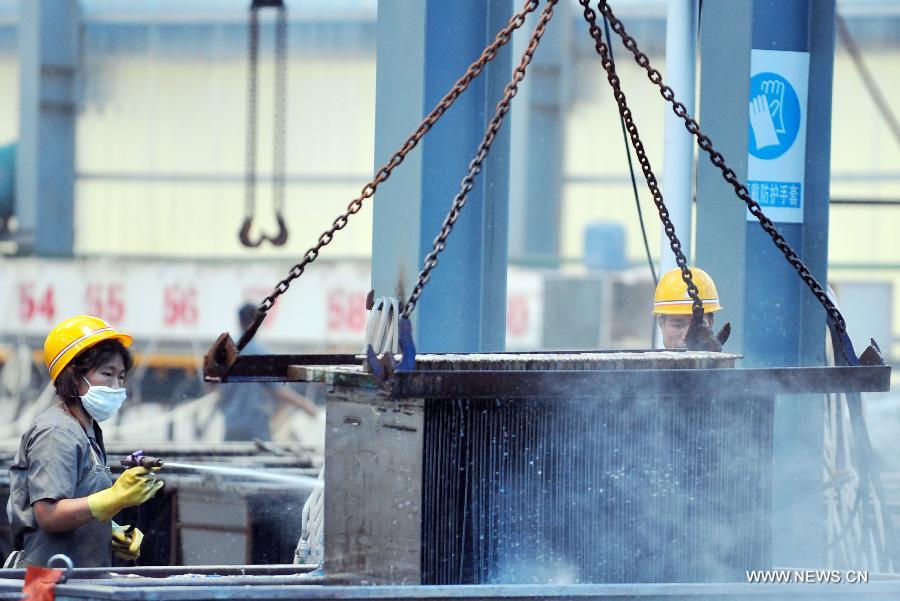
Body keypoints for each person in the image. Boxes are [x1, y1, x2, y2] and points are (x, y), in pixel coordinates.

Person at [6, 315, 164, 568]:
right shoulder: (56, 432)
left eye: (121, 376)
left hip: (79, 578)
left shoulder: (87, 429)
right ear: (73, 375)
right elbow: (49, 515)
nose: (116, 386)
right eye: (107, 374)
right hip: (46, 583)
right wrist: (115, 497)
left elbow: (78, 497)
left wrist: (108, 530)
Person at [219, 303, 318, 442]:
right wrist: (304, 404)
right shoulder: (260, 353)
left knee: (232, 460)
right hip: (255, 427)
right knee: (263, 460)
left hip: (231, 425)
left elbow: (213, 386)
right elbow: (279, 391)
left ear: (239, 321)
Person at [652, 267, 729, 350]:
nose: (687, 336)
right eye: (677, 326)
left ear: (710, 323)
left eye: (697, 327)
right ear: (661, 323)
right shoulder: (645, 363)